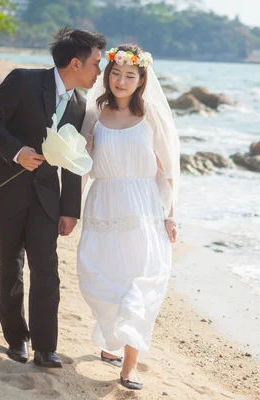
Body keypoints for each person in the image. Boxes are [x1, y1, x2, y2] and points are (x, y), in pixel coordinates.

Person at [0, 27, 106, 368]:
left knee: (47, 269)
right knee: (10, 266)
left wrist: (70, 210)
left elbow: (73, 159)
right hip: (6, 191)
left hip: (47, 198)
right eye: (96, 64)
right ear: (75, 63)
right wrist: (16, 152)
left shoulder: (79, 104)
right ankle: (17, 339)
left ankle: (46, 347)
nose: (99, 72)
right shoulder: (23, 80)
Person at [77, 44, 180, 390]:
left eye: (130, 75)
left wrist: (171, 215)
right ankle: (112, 340)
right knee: (102, 280)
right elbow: (81, 167)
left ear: (141, 79)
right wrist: (69, 211)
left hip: (144, 208)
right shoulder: (94, 112)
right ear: (107, 75)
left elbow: (168, 169)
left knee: (142, 282)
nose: (121, 81)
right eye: (116, 73)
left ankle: (130, 367)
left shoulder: (150, 115)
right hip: (103, 206)